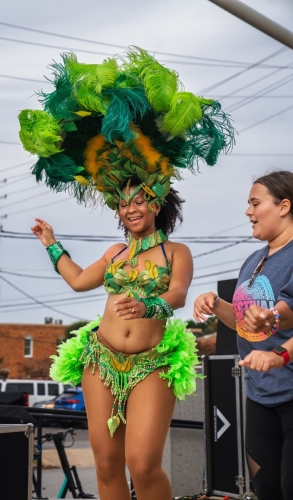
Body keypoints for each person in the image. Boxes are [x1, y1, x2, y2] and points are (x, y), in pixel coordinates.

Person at [19, 46, 235, 500]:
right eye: (123, 202)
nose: (130, 208)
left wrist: (147, 303)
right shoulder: (116, 253)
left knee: (142, 462)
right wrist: (51, 243)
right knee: (107, 463)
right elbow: (79, 280)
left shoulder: (177, 251)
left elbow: (176, 297)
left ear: (155, 203)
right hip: (100, 359)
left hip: (152, 363)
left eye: (138, 200)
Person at [193, 170, 293, 500]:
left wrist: (273, 317)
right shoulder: (253, 260)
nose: (248, 212)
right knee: (266, 489)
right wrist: (215, 303)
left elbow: (286, 311)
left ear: (284, 206)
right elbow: (244, 323)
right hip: (259, 394)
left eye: (255, 203)